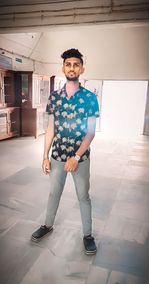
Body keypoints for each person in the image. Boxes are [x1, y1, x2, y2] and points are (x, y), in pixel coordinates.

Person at [31, 48, 100, 255]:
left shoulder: (90, 98)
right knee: (54, 192)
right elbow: (50, 127)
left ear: (82, 68)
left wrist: (77, 157)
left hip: (81, 157)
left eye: (76, 64)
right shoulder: (54, 97)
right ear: (63, 68)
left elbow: (91, 133)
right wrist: (45, 155)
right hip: (58, 155)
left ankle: (88, 236)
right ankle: (47, 225)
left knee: (83, 196)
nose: (72, 68)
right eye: (68, 64)